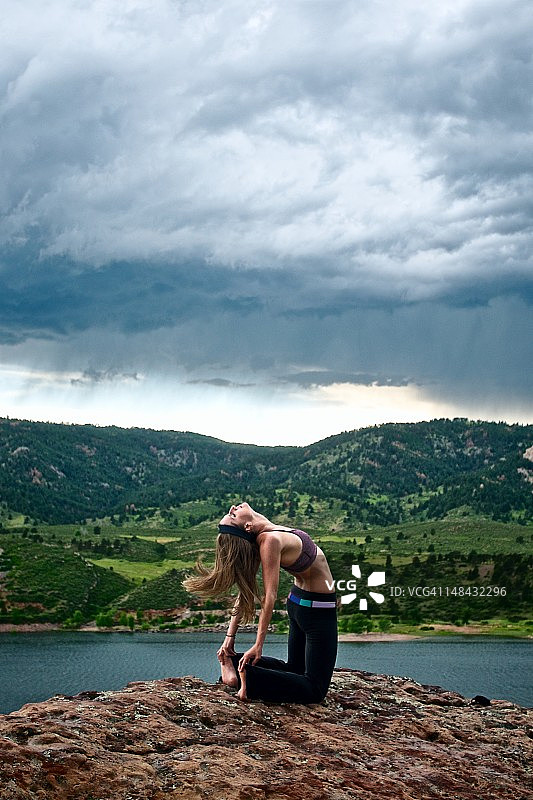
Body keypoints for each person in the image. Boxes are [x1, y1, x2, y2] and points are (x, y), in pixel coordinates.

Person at [182, 502, 338, 703]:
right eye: (233, 516)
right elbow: (269, 596)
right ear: (247, 527)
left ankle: (235, 662)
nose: (232, 508)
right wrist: (258, 645)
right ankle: (251, 678)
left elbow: (244, 592)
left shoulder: (266, 534)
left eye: (230, 514)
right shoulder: (269, 540)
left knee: (295, 669)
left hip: (300, 605)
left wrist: (229, 639)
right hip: (317, 610)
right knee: (315, 690)